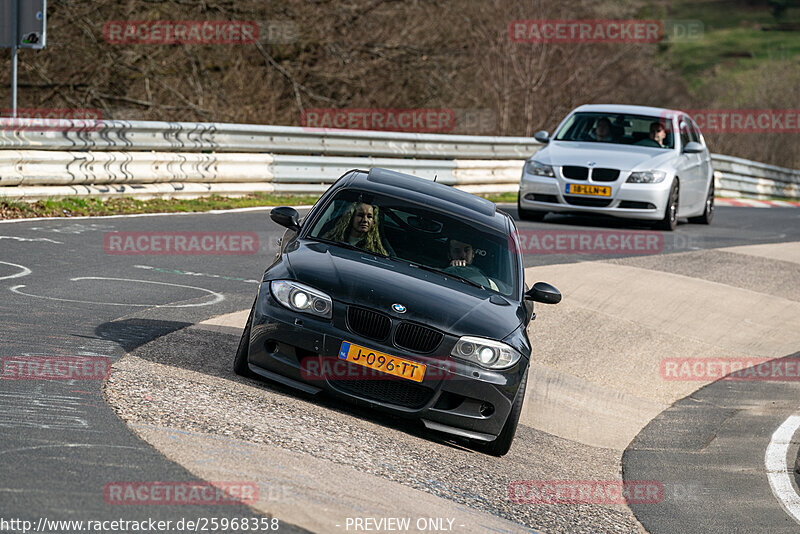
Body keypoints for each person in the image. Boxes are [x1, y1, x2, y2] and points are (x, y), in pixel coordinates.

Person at [323, 202, 393, 256]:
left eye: (369, 216)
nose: (365, 220)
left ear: (373, 221)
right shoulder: (333, 239)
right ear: (351, 218)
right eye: (360, 215)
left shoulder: (375, 250)